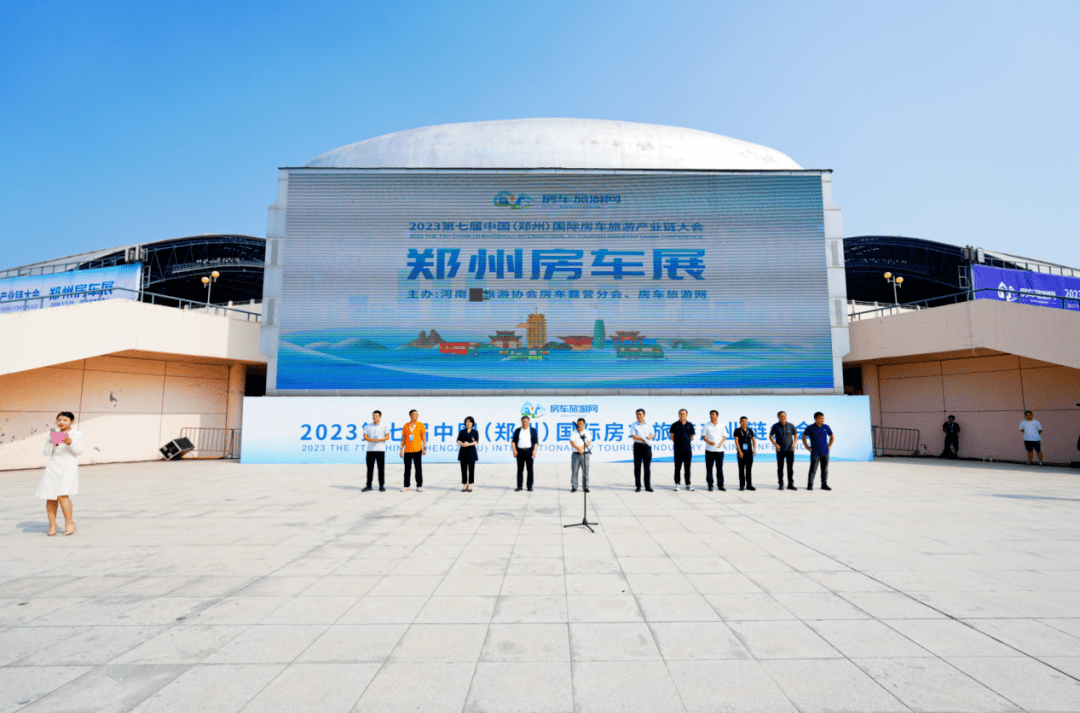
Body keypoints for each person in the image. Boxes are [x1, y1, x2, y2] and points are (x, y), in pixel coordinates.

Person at [37, 411, 83, 536]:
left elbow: (79, 451)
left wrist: (70, 442)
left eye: (65, 420)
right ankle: (52, 525)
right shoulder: (52, 434)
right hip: (53, 467)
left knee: (63, 496)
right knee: (50, 496)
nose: (61, 422)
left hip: (68, 467)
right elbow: (46, 453)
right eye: (59, 420)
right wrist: (51, 441)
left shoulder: (78, 434)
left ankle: (69, 524)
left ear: (71, 421)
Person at [802, 412, 834, 490]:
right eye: (820, 418)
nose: (822, 420)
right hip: (815, 452)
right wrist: (807, 447)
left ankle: (824, 485)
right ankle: (810, 485)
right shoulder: (810, 427)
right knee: (813, 469)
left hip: (825, 452)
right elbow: (803, 437)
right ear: (815, 419)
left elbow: (832, 436)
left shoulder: (826, 427)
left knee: (825, 469)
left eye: (823, 418)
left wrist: (829, 445)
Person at [362, 410, 390, 491]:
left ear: (380, 416)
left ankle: (381, 485)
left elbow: (387, 437)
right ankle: (369, 485)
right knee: (369, 469)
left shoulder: (384, 426)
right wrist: (372, 439)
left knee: (381, 469)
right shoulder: (368, 426)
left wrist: (379, 439)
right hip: (370, 450)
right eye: (373, 416)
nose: (375, 417)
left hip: (380, 450)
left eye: (377, 416)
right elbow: (365, 437)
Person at [769, 411, 798, 490]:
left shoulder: (791, 425)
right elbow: (770, 436)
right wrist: (776, 444)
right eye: (781, 416)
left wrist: (794, 443)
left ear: (786, 416)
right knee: (780, 468)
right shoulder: (775, 426)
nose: (783, 417)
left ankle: (790, 484)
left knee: (790, 468)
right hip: (780, 450)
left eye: (784, 416)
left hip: (790, 450)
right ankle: (781, 484)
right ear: (778, 417)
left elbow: (796, 436)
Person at [669, 409, 695, 491]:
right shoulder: (674, 425)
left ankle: (688, 484)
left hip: (687, 450)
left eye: (683, 413)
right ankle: (677, 483)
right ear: (678, 415)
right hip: (678, 450)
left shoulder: (690, 425)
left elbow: (692, 436)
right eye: (680, 413)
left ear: (686, 415)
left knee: (687, 468)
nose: (682, 415)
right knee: (677, 467)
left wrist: (686, 442)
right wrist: (678, 442)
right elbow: (672, 436)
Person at [400, 409, 426, 491]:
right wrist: (401, 449)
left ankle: (419, 485)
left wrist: (424, 448)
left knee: (418, 468)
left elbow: (423, 437)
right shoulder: (406, 425)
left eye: (417, 414)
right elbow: (403, 438)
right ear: (410, 416)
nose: (416, 416)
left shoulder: (420, 425)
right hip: (407, 450)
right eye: (415, 414)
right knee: (407, 469)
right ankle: (406, 486)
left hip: (417, 450)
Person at [630, 409, 654, 492]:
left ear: (644, 415)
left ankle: (647, 486)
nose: (638, 416)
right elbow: (633, 436)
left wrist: (647, 438)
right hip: (638, 446)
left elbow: (652, 434)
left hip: (647, 446)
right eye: (637, 414)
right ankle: (638, 486)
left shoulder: (649, 424)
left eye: (640, 414)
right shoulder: (634, 425)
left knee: (647, 467)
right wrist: (641, 438)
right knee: (637, 466)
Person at [512, 415, 539, 491]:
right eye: (523, 422)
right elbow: (513, 442)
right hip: (520, 451)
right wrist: (514, 450)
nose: (524, 423)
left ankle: (529, 486)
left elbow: (536, 442)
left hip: (529, 451)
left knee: (530, 469)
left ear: (529, 422)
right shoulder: (517, 430)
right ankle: (519, 486)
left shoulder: (533, 430)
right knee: (520, 469)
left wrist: (534, 450)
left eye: (526, 422)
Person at [701, 410, 726, 491]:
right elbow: (703, 436)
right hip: (709, 450)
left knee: (719, 468)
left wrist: (721, 443)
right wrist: (709, 442)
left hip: (719, 450)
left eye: (713, 415)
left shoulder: (721, 425)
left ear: (717, 416)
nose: (711, 416)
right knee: (709, 468)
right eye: (710, 415)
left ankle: (720, 485)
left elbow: (724, 436)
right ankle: (710, 485)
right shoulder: (706, 425)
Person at [733, 416, 757, 491]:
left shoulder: (750, 430)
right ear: (740, 422)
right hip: (741, 452)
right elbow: (736, 441)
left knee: (749, 470)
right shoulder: (737, 430)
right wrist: (740, 451)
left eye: (746, 421)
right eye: (742, 421)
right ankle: (742, 485)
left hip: (749, 452)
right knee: (741, 469)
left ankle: (749, 485)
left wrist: (755, 449)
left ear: (747, 422)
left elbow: (754, 440)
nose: (744, 423)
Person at [457, 417, 479, 491]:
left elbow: (476, 441)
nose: (468, 423)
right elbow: (458, 440)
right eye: (467, 422)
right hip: (463, 452)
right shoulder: (462, 431)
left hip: (471, 452)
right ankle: (464, 484)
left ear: (472, 423)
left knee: (471, 469)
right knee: (463, 469)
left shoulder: (475, 432)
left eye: (470, 422)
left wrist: (469, 444)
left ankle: (470, 484)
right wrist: (462, 444)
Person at [570, 418, 591, 493]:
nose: (579, 425)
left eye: (581, 424)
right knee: (574, 471)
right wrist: (578, 448)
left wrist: (581, 448)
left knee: (585, 471)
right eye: (578, 424)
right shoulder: (574, 432)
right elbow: (572, 442)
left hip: (585, 454)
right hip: (575, 454)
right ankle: (574, 486)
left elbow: (588, 442)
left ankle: (586, 487)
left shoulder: (587, 432)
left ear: (584, 424)